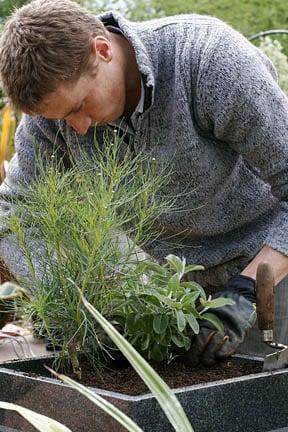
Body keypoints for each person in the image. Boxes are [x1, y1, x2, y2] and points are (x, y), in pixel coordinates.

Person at [1, 0, 288, 366]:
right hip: (169, 290)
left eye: (78, 107)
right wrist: (63, 300)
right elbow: (15, 210)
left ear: (101, 49)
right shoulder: (51, 120)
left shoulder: (208, 60)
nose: (78, 128)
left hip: (266, 268)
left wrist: (246, 291)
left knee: (266, 407)